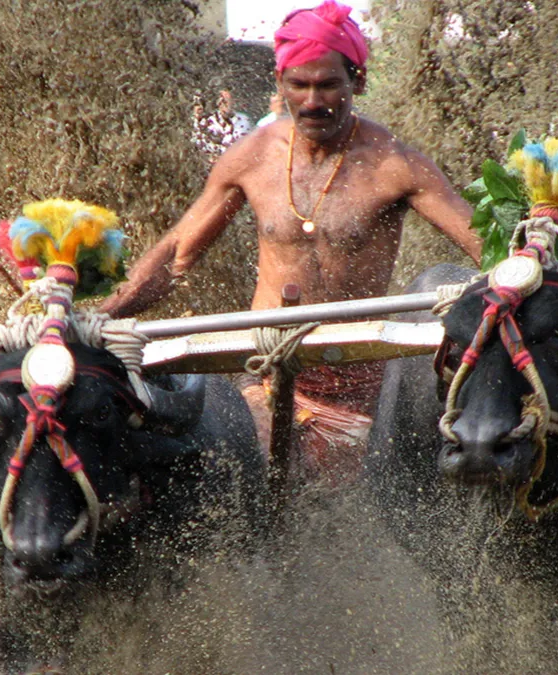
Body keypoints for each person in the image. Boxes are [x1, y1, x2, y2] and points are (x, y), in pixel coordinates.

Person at [100, 0, 481, 483]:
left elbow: (482, 245)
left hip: (358, 379)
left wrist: (544, 263)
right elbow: (176, 256)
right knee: (236, 478)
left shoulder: (395, 164)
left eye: (327, 85)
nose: (313, 100)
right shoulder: (252, 156)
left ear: (357, 83)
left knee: (349, 503)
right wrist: (101, 315)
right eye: (298, 85)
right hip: (265, 370)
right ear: (281, 86)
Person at [191, 90, 253, 156]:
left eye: (226, 101)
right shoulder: (208, 123)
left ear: (233, 101)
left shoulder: (244, 120)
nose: (224, 105)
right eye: (221, 101)